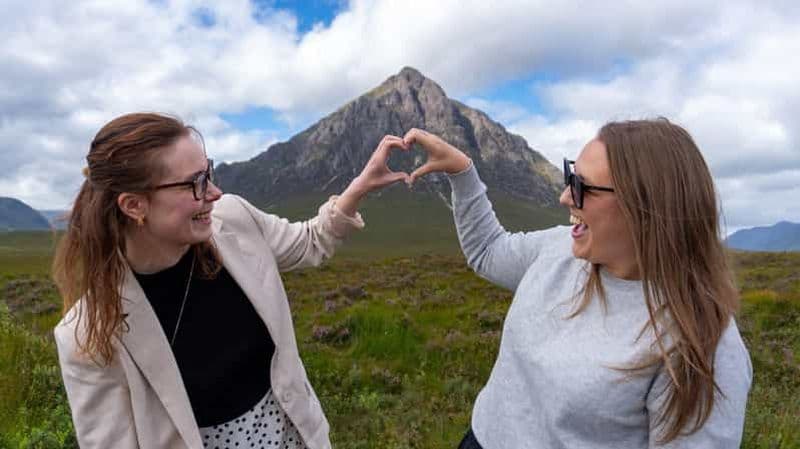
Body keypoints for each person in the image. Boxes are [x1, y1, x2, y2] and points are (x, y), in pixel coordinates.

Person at [52, 112, 410, 449]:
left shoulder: (234, 220)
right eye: (194, 183)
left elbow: (309, 241)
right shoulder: (87, 335)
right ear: (134, 206)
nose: (214, 193)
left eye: (207, 172)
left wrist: (360, 187)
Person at [402, 119, 752, 448]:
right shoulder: (560, 248)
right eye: (571, 176)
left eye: (583, 187)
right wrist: (462, 172)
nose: (565, 197)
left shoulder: (701, 343)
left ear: (645, 208)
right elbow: (488, 251)